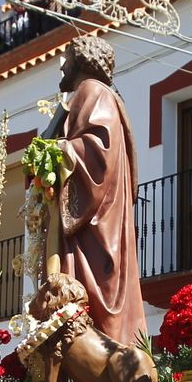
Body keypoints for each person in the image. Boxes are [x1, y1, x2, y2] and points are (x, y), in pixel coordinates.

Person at [50, 35, 145, 347]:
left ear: (81, 60)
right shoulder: (101, 95)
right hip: (101, 217)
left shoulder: (93, 91)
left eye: (66, 59)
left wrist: (54, 152)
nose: (61, 66)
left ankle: (96, 366)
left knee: (90, 301)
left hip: (96, 224)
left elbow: (97, 152)